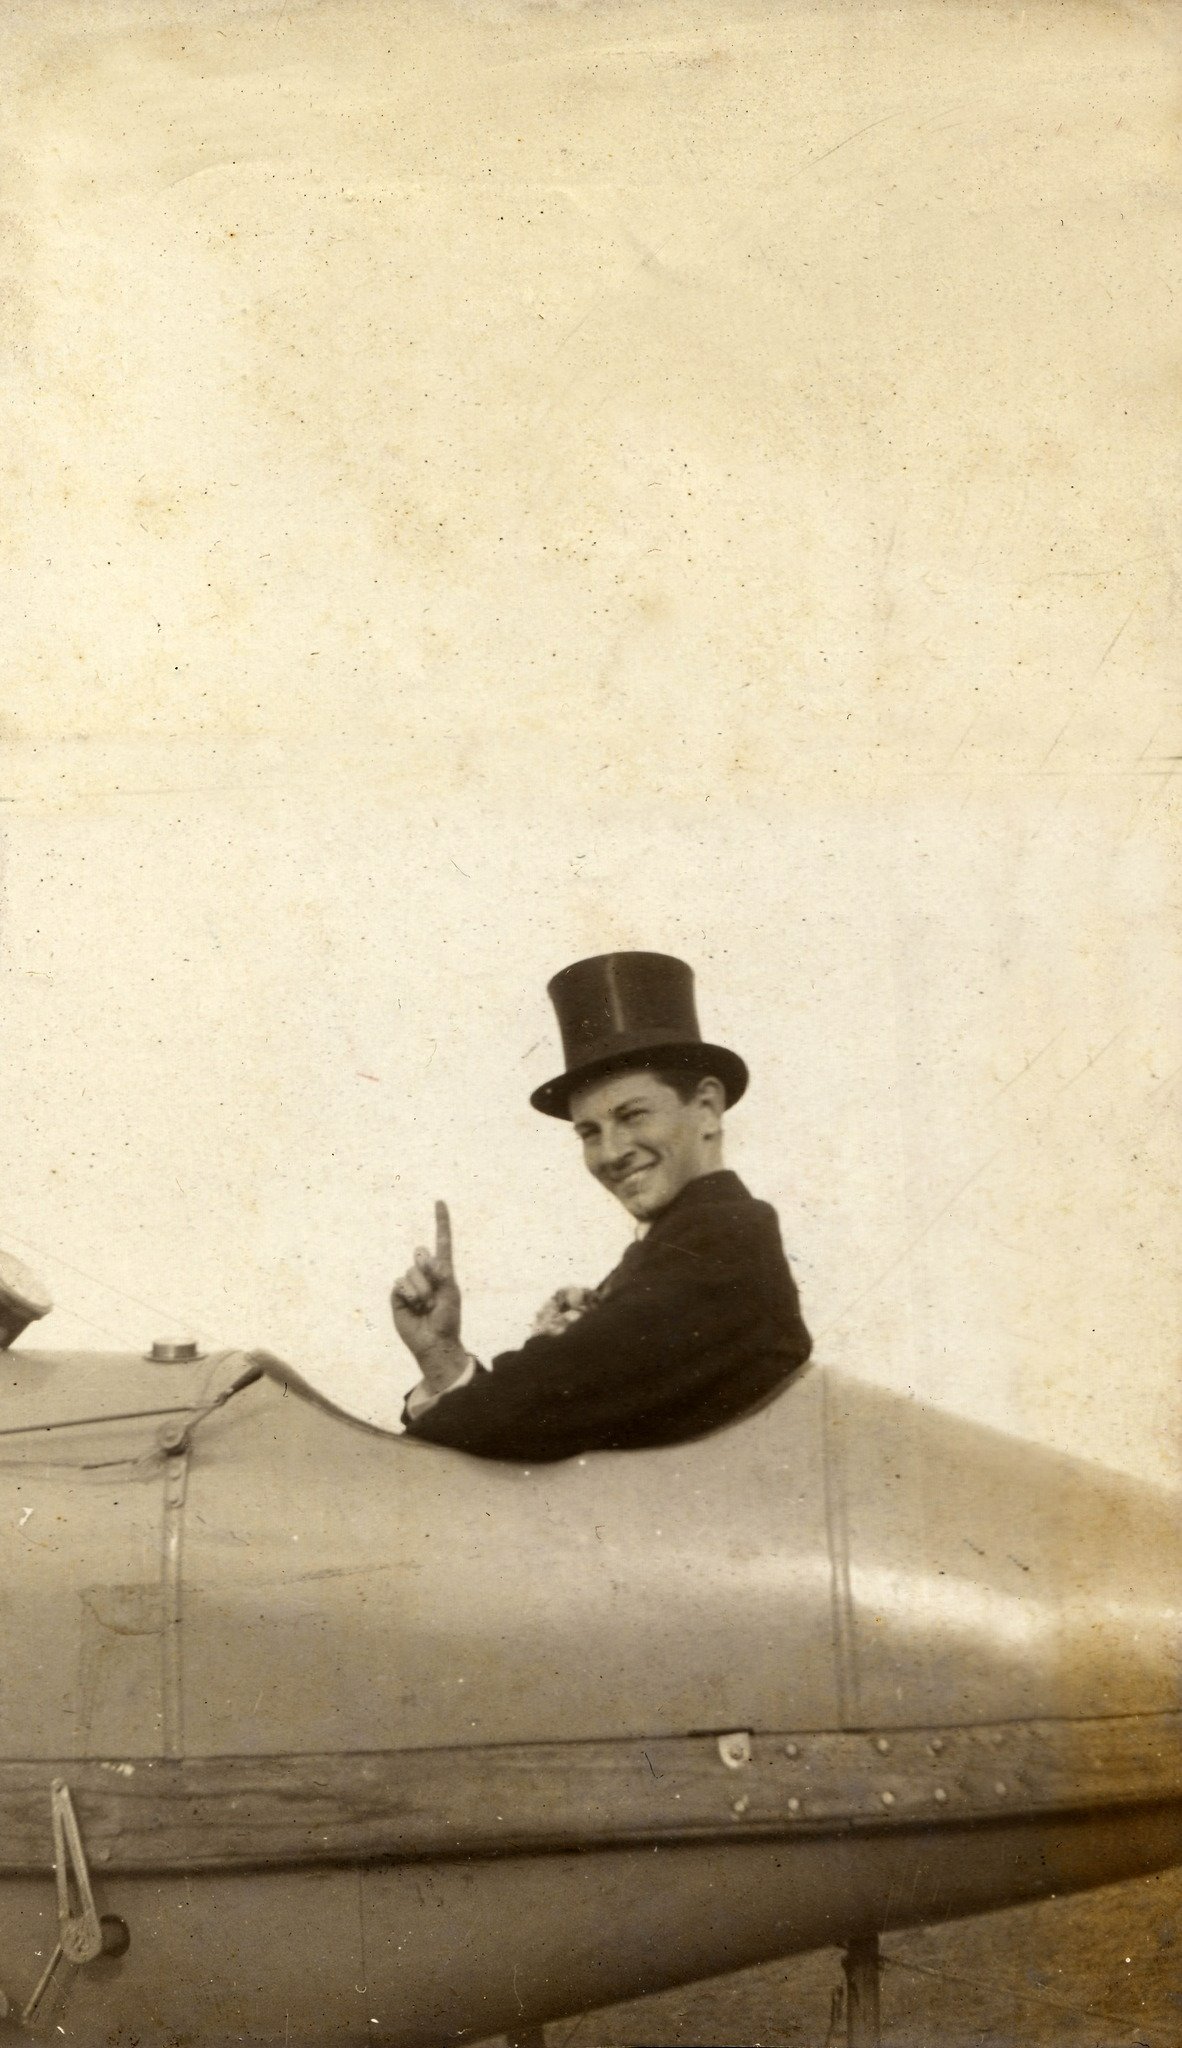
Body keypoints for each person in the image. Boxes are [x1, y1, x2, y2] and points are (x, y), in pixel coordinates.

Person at [393, 952, 811, 1462]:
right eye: (589, 1132)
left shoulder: (727, 1236)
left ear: (706, 1108)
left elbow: (525, 1405)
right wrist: (439, 1352)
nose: (611, 1153)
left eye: (632, 1116)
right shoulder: (677, 1248)